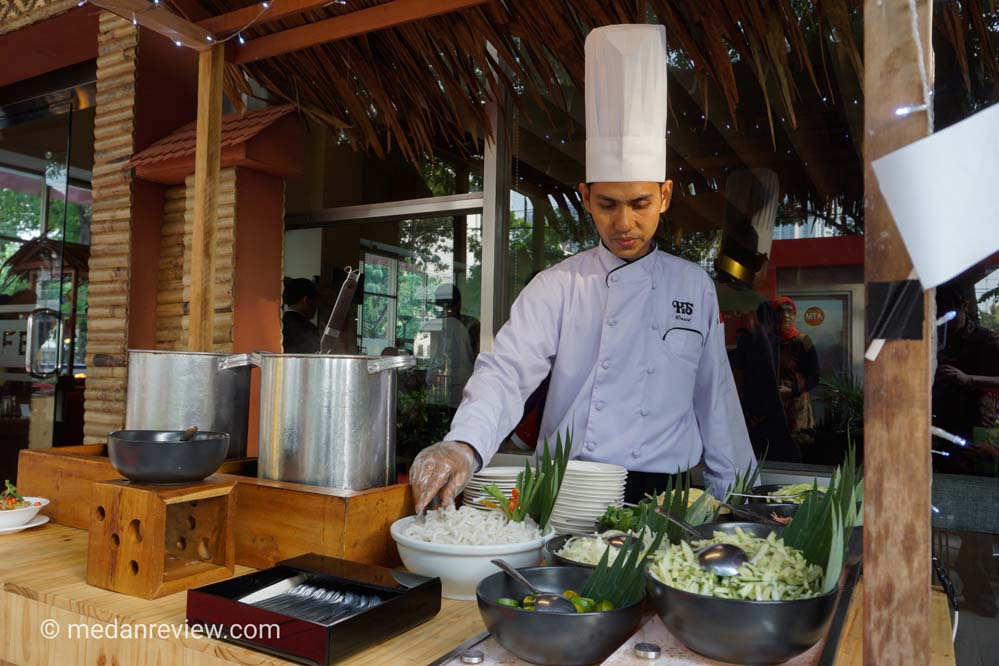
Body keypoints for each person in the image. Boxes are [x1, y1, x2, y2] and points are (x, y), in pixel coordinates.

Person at [409, 24, 755, 511]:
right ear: (585, 197)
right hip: (570, 490)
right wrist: (464, 443)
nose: (624, 222)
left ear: (665, 195)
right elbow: (506, 371)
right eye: (608, 203)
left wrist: (738, 499)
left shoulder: (693, 285)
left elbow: (713, 395)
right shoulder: (559, 286)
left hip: (668, 498)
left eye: (639, 202)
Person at [731, 301, 799, 462]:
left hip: (754, 403)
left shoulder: (750, 339)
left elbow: (738, 373)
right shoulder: (775, 340)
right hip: (773, 403)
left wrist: (736, 401)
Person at [772, 297, 819, 438]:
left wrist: (794, 390)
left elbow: (814, 376)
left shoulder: (804, 341)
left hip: (796, 404)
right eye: (780, 311)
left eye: (790, 311)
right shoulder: (769, 341)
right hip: (774, 403)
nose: (786, 315)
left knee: (797, 444)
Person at [282, 277, 321, 353]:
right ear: (305, 301)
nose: (317, 306)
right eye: (315, 301)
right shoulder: (309, 329)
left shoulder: (280, 323)